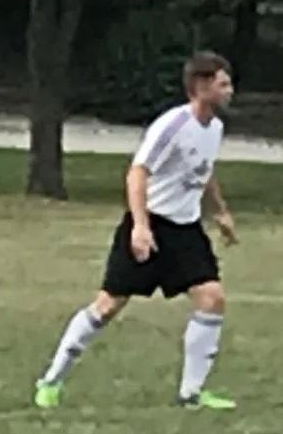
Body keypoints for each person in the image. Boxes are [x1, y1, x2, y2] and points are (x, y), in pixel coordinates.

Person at [33, 53, 239, 411]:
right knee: (107, 307)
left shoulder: (215, 128)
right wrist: (140, 227)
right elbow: (137, 172)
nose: (230, 90)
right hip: (151, 223)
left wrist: (220, 211)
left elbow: (203, 170)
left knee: (212, 299)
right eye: (223, 84)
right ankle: (51, 380)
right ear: (201, 87)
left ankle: (190, 394)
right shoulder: (172, 126)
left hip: (185, 230)